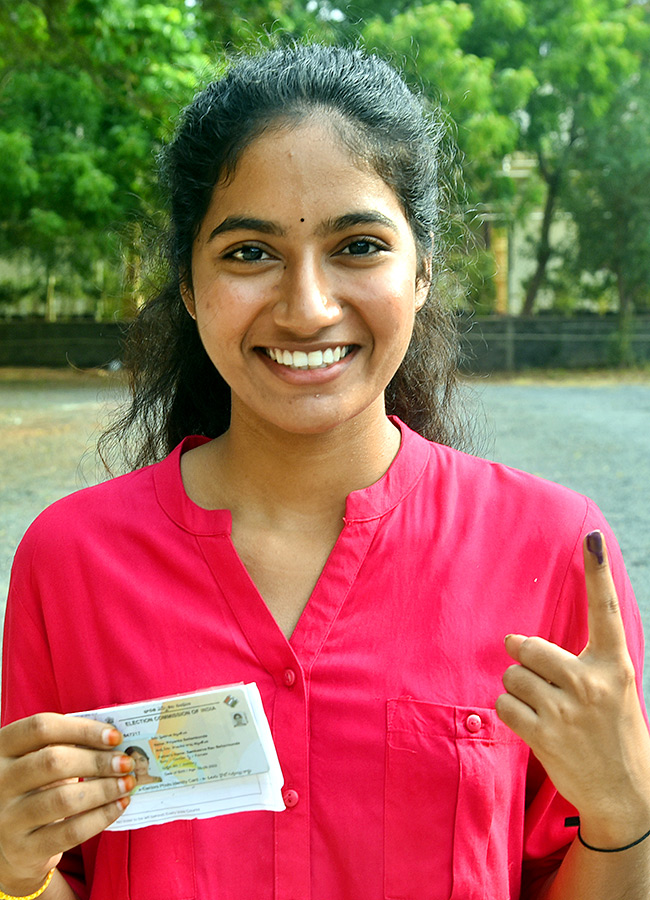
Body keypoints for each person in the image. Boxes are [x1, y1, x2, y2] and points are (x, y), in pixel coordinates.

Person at [0, 43, 649, 900]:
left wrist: (625, 816)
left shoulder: (554, 553)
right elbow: (55, 874)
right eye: (247, 254)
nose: (307, 307)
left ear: (422, 272)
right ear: (188, 287)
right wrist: (14, 868)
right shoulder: (74, 562)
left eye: (360, 244)